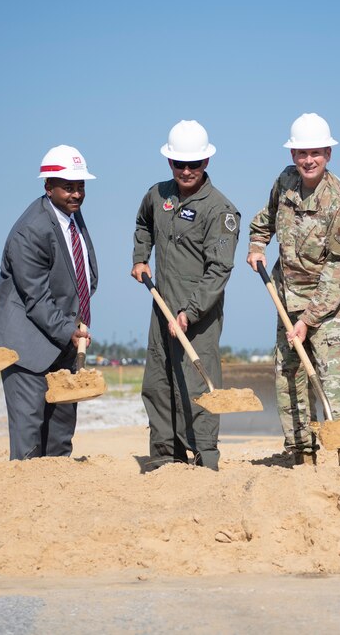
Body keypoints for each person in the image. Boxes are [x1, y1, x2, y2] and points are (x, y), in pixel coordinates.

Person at [247, 112, 340, 466]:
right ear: (292, 156)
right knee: (289, 379)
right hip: (287, 300)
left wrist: (309, 319)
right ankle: (301, 456)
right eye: (301, 153)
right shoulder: (285, 182)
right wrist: (257, 245)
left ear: (328, 154)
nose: (308, 160)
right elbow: (265, 217)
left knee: (334, 383)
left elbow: (337, 270)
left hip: (329, 307)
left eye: (315, 153)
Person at [132, 120, 240, 472]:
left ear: (207, 162)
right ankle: (165, 456)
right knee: (159, 381)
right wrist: (140, 258)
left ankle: (204, 458)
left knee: (197, 385)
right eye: (180, 164)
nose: (187, 171)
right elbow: (143, 224)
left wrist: (189, 313)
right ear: (169, 163)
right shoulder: (157, 195)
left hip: (199, 317)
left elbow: (219, 271)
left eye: (194, 164)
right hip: (161, 307)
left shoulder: (220, 211)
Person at [0, 146, 98, 461]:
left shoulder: (71, 216)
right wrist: (70, 330)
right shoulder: (31, 230)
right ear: (48, 186)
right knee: (29, 441)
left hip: (63, 340)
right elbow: (35, 298)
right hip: (26, 348)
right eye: (68, 186)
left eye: (80, 186)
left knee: (60, 438)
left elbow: (78, 273)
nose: (76, 193)